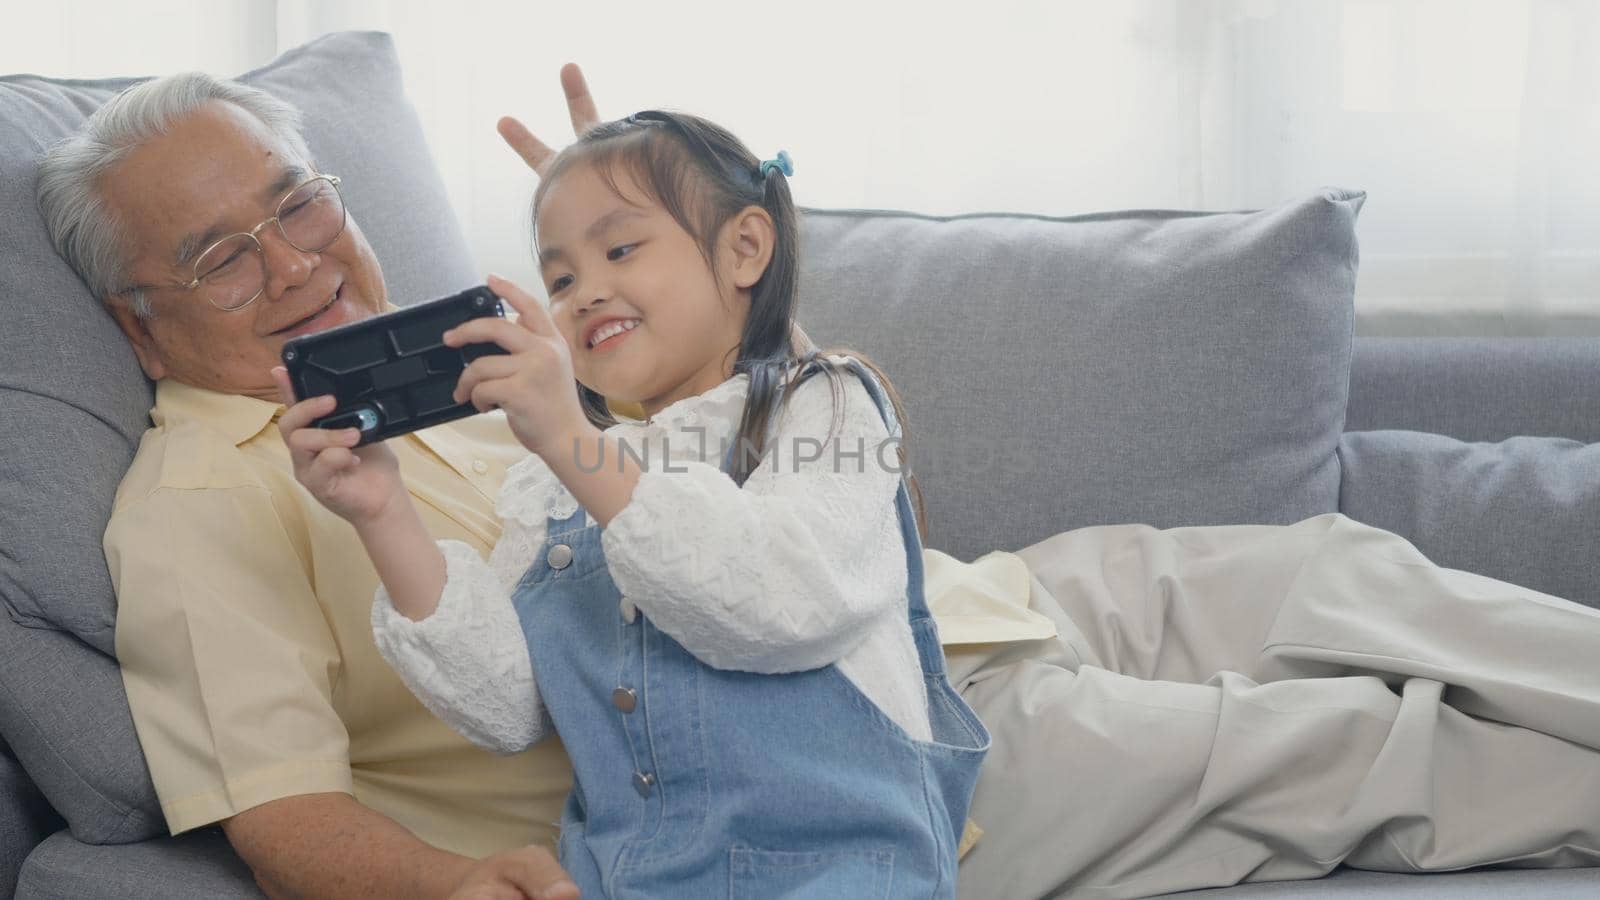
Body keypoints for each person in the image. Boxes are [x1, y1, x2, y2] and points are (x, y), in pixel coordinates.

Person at [36, 63, 1600, 900]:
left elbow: (807, 479)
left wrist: (665, 278)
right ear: (139, 320)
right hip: (853, 762)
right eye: (223, 257)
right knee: (1354, 749)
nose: (299, 262)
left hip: (967, 597)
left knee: (1336, 567)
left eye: (298, 202)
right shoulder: (200, 507)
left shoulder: (476, 347)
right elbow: (287, 821)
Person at [273, 108, 989, 898]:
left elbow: (782, 598)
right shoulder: (557, 477)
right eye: (561, 280)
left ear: (745, 248)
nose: (586, 294)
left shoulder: (825, 403)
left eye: (620, 250)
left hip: (839, 868)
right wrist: (383, 513)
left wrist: (575, 443)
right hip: (624, 877)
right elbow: (507, 709)